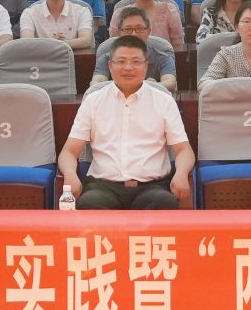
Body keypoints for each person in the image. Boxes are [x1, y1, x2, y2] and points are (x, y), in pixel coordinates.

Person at [58, 35, 194, 209]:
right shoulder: (93, 101)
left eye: (136, 62)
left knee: (164, 203)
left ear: (146, 66)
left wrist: (181, 173)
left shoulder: (164, 101)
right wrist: (70, 173)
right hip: (103, 186)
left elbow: (184, 151)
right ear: (110, 66)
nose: (128, 67)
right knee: (89, 204)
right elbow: (69, 152)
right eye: (121, 61)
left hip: (153, 187)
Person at [93, 6, 179, 91]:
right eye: (128, 29)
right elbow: (95, 84)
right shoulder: (106, 58)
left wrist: (148, 86)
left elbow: (170, 83)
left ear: (148, 31)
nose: (134, 34)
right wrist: (142, 85)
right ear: (119, 33)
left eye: (140, 28)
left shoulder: (163, 58)